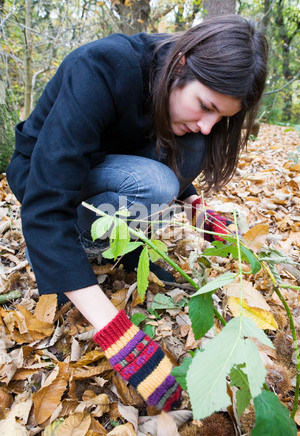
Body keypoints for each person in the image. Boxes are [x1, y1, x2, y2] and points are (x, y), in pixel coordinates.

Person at [6, 14, 268, 411]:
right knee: (156, 183)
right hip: (44, 177)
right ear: (182, 64)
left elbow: (155, 147)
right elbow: (47, 199)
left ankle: (121, 249)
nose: (207, 124)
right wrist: (115, 332)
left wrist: (199, 211)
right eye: (206, 106)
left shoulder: (179, 95)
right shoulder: (102, 68)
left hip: (101, 169)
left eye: (222, 118)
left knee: (190, 148)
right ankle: (69, 255)